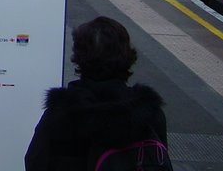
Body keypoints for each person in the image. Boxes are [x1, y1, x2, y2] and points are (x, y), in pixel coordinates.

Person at [24, 16, 168, 171]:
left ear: (79, 58)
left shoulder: (61, 115)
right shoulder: (149, 114)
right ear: (128, 56)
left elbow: (34, 162)